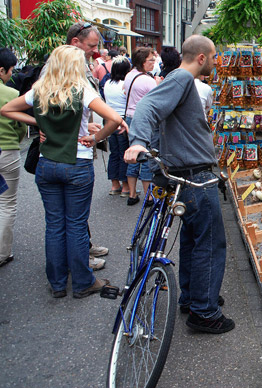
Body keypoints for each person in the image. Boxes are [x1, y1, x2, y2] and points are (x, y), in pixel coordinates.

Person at [124, 34, 234, 334]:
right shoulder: (182, 79)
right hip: (195, 176)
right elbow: (148, 107)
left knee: (192, 239)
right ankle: (205, 312)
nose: (215, 62)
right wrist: (137, 143)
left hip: (187, 174)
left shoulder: (176, 79)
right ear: (201, 58)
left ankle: (192, 297)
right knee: (210, 244)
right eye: (213, 56)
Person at [0, 45, 128, 298]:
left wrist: (38, 122)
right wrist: (97, 137)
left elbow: (6, 110)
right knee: (77, 225)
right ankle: (82, 282)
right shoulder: (82, 91)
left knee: (54, 224)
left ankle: (57, 283)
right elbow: (114, 119)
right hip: (77, 164)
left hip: (47, 164)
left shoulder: (39, 90)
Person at [66, 22, 109, 265]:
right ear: (75, 43)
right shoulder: (66, 69)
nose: (96, 52)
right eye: (92, 46)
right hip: (73, 153)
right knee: (73, 214)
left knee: (73, 215)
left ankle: (83, 248)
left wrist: (86, 126)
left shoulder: (80, 65)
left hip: (76, 146)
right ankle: (79, 259)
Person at [0, 48, 27, 267]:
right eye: (10, 70)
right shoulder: (10, 94)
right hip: (6, 151)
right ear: (2, 71)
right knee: (7, 203)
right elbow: (20, 127)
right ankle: (2, 253)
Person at [123, 47, 157, 206]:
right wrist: (157, 83)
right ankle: (149, 196)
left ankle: (131, 193)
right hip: (143, 120)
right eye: (151, 60)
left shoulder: (129, 75)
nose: (153, 62)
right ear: (143, 62)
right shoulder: (148, 80)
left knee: (132, 155)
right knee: (145, 157)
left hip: (129, 117)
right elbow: (157, 98)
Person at [103, 56, 132, 196]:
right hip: (122, 120)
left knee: (113, 153)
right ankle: (126, 186)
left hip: (108, 120)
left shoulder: (108, 83)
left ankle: (114, 184)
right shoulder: (124, 85)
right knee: (124, 153)